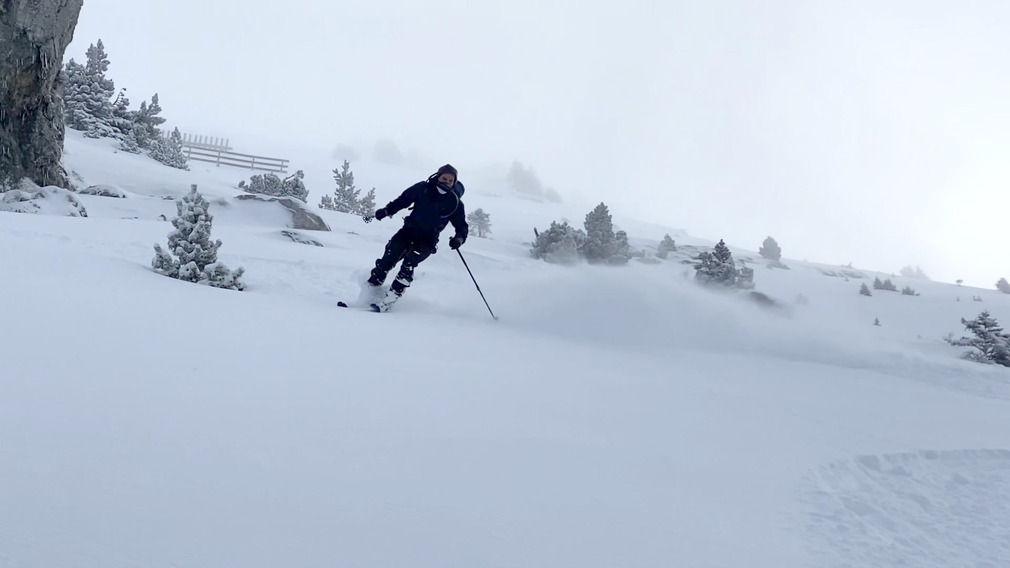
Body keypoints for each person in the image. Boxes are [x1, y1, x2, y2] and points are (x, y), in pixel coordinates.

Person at [364, 164, 468, 311]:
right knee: (387, 259)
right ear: (437, 176)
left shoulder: (455, 202)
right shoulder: (422, 188)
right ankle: (368, 292)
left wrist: (459, 239)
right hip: (407, 232)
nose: (446, 182)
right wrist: (386, 211)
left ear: (454, 183)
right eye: (444, 178)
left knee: (408, 264)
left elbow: (462, 227)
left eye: (450, 181)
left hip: (427, 241)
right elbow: (401, 201)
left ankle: (390, 299)